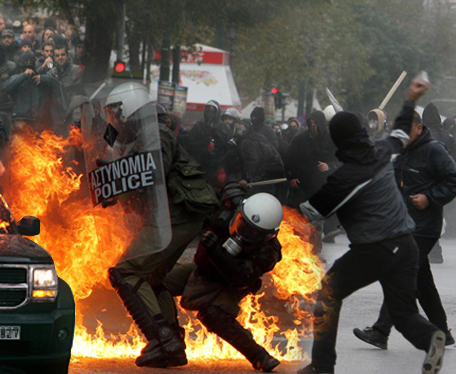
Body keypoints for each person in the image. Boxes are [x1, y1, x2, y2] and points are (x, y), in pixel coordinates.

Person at [296, 81, 445, 374]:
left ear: (337, 141)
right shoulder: (382, 150)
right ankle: (431, 337)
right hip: (407, 245)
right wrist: (411, 99)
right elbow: (401, 131)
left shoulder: (346, 177)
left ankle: (322, 366)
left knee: (326, 295)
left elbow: (311, 212)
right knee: (402, 314)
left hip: (375, 250)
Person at [107, 91, 216, 368]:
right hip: (174, 217)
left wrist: (118, 178)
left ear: (130, 110)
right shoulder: (149, 135)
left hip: (173, 218)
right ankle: (173, 346)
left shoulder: (155, 135)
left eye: (118, 115)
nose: (117, 122)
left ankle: (162, 338)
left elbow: (151, 176)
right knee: (154, 278)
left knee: (126, 271)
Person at [352, 108, 456, 349]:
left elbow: (453, 180)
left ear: (419, 129)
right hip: (403, 225)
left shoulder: (434, 151)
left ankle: (380, 331)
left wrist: (430, 197)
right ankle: (442, 331)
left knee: (399, 274)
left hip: (424, 228)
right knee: (422, 281)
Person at [164, 191, 283, 372]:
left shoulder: (269, 252)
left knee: (212, 314)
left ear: (268, 235)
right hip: (202, 270)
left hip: (228, 284)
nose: (245, 233)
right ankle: (169, 339)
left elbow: (241, 277)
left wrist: (217, 253)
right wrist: (228, 194)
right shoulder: (226, 218)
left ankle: (259, 356)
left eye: (253, 232)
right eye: (243, 225)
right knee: (156, 282)